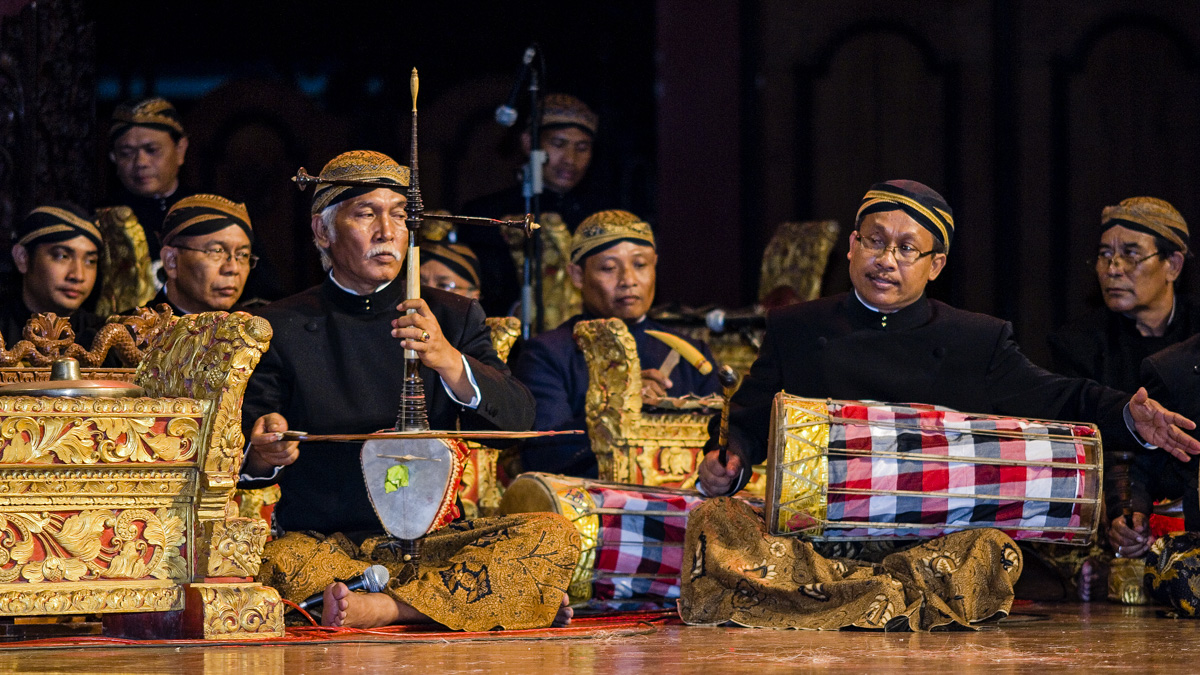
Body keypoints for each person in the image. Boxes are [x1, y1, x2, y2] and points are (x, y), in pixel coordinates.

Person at [687, 180, 1200, 631]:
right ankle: (875, 602)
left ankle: (842, 602)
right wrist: (726, 460)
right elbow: (745, 422)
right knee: (715, 523)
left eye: (907, 249)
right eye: (875, 241)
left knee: (983, 552)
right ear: (851, 247)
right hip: (813, 546)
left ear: (935, 266)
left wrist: (1131, 417)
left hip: (924, 547)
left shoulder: (974, 339)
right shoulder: (796, 327)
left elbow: (1060, 395)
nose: (886, 260)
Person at [239, 150, 579, 631]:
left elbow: (520, 418)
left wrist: (448, 361)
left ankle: (385, 608)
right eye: (365, 214)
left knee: (551, 536)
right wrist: (264, 452)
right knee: (278, 565)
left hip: (436, 544)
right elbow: (246, 454)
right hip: (328, 544)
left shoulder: (453, 315)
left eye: (398, 215)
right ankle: (490, 601)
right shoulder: (280, 325)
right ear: (322, 231)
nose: (387, 231)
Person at [512, 209, 721, 478]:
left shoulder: (691, 354)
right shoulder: (549, 353)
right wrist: (617, 409)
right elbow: (542, 452)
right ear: (577, 275)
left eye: (641, 265)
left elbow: (721, 442)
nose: (629, 280)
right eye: (609, 268)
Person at [460, 93, 607, 316]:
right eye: (558, 144)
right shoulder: (486, 213)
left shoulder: (599, 216)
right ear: (529, 143)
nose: (570, 159)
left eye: (582, 147)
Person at [1049, 196, 1197, 394]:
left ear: (1173, 265)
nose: (1113, 270)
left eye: (1131, 254)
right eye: (1106, 255)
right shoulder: (1078, 344)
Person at [0, 203, 107, 347]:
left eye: (90, 261)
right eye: (62, 256)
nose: (78, 275)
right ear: (22, 258)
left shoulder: (102, 337)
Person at [105, 97, 193, 241]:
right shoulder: (100, 220)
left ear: (180, 150)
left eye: (152, 150)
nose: (141, 162)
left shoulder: (209, 211)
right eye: (127, 153)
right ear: (114, 157)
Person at [151, 194, 256, 315]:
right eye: (216, 251)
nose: (233, 268)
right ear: (171, 260)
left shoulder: (260, 328)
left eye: (243, 255)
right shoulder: (136, 330)